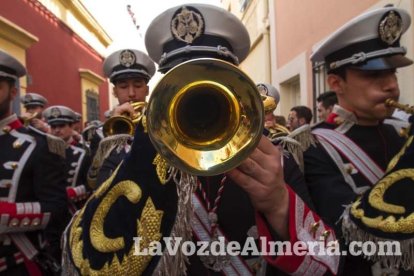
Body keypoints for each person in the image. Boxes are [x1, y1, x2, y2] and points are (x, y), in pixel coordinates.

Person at [62, 4, 340, 276]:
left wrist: (279, 203)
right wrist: (140, 157)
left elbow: (326, 263)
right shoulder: (129, 157)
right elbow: (93, 261)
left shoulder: (274, 157)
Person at [306, 5, 413, 275]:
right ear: (336, 83)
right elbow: (346, 229)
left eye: (393, 73)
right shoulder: (315, 146)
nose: (391, 85)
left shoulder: (403, 130)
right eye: (374, 74)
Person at [0, 49, 68, 274]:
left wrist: (7, 214)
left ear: (13, 92)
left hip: (16, 263)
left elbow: (56, 209)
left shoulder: (40, 144)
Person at [86, 49, 156, 189]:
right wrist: (113, 134)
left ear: (147, 90)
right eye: (123, 86)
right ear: (114, 91)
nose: (131, 93)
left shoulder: (161, 125)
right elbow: (93, 182)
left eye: (138, 85)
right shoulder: (100, 134)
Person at [43, 105, 91, 212]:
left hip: (73, 210)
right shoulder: (42, 152)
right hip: (49, 211)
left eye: (61, 126)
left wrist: (72, 193)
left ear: (72, 126)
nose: (57, 130)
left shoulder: (83, 154)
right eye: (53, 127)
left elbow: (91, 185)